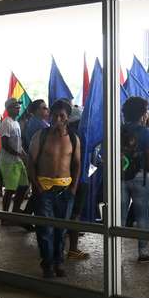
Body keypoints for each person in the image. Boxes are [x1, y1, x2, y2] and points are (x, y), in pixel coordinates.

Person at [27, 99, 81, 278]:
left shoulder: (74, 139)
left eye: (62, 116)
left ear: (67, 118)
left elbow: (77, 164)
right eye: (55, 115)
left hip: (65, 191)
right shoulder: (40, 136)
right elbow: (31, 163)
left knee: (61, 230)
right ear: (50, 116)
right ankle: (47, 264)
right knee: (45, 230)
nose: (58, 119)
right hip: (45, 190)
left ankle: (59, 262)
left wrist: (73, 187)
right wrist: (38, 187)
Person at [120, 96, 149, 262]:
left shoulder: (118, 130)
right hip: (140, 178)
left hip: (120, 178)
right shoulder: (145, 132)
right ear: (142, 114)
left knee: (120, 216)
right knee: (142, 216)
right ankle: (143, 252)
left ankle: (117, 251)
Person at [66, 104, 90, 260]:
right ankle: (73, 249)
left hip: (65, 179)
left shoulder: (64, 135)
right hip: (78, 180)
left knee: (64, 214)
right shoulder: (79, 136)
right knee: (75, 214)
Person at [0, 98, 29, 218]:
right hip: (8, 162)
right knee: (10, 190)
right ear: (9, 109)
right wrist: (18, 154)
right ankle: (5, 217)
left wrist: (23, 153)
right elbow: (5, 144)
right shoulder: (6, 123)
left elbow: (17, 142)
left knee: (24, 185)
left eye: (18, 106)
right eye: (16, 106)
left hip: (17, 160)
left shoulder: (15, 123)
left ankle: (15, 211)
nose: (18, 108)